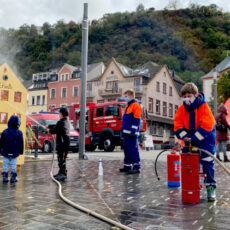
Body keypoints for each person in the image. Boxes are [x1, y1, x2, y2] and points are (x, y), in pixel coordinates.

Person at [174, 82, 216, 202]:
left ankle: (211, 188)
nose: (187, 98)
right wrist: (185, 137)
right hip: (189, 140)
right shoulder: (182, 109)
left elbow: (208, 125)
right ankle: (192, 187)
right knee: (190, 165)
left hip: (206, 140)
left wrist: (194, 139)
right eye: (185, 96)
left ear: (196, 94)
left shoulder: (203, 107)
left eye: (189, 95)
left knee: (208, 164)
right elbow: (177, 125)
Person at [120, 89, 142, 174]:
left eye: (126, 96)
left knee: (133, 150)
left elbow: (137, 119)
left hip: (132, 133)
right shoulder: (127, 106)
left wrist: (133, 130)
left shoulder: (136, 105)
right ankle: (127, 166)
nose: (125, 98)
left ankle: (137, 167)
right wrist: (123, 132)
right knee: (126, 150)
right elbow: (124, 120)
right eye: (125, 96)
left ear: (131, 96)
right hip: (126, 133)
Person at [0, 115, 24, 183]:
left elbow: (1, 142)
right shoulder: (19, 133)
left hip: (6, 152)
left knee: (5, 164)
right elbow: (21, 143)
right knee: (13, 165)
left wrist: (0, 150)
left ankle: (5, 177)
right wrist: (21, 151)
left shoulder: (5, 132)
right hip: (15, 152)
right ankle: (13, 178)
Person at [49, 108, 70, 181]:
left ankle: (63, 174)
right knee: (61, 158)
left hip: (62, 143)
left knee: (62, 158)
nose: (59, 114)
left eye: (59, 113)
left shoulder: (61, 122)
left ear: (61, 114)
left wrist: (49, 130)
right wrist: (49, 127)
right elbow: (56, 127)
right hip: (64, 143)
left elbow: (55, 130)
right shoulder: (66, 121)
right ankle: (61, 172)